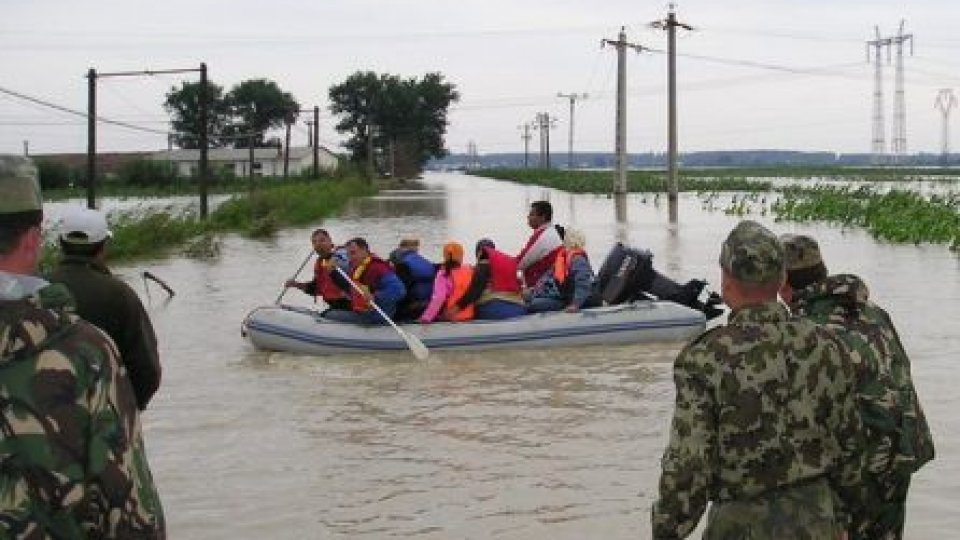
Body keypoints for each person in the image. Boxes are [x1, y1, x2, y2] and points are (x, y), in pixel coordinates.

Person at [651, 220, 864, 539]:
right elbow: (852, 446)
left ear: (726, 280)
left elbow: (688, 466)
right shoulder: (828, 346)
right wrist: (843, 520)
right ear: (781, 280)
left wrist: (665, 531)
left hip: (739, 525)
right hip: (818, 520)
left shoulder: (704, 358)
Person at [0, 155, 165, 537]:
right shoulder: (95, 341)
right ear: (32, 238)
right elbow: (129, 515)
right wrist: (123, 411)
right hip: (97, 430)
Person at [780, 233, 935, 540]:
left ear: (783, 282)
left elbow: (812, 420)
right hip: (902, 450)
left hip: (862, 465)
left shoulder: (806, 331)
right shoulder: (872, 310)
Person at [46, 206, 162, 411]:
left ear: (61, 244)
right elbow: (147, 371)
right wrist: (125, 412)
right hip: (104, 421)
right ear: (103, 246)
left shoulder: (35, 288)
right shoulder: (120, 295)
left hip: (40, 420)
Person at [325, 237, 407, 325]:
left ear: (364, 250)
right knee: (333, 310)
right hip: (363, 312)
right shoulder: (357, 267)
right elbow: (353, 288)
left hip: (377, 316)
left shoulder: (378, 268)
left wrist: (375, 297)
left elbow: (400, 291)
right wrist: (333, 273)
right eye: (348, 255)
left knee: (329, 315)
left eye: (353, 253)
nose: (350, 258)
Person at [526, 228, 601, 313]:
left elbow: (583, 284)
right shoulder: (563, 257)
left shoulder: (578, 260)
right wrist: (533, 290)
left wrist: (575, 304)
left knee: (534, 305)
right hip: (563, 294)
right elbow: (548, 276)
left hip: (574, 300)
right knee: (528, 298)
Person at [454, 238, 527, 320]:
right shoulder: (507, 264)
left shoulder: (482, 266)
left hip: (491, 310)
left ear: (478, 253)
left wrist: (455, 309)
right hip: (518, 309)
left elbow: (474, 292)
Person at [284, 228, 350, 310]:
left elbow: (344, 256)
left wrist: (335, 259)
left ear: (330, 240)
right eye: (314, 242)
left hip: (350, 305)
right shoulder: (320, 262)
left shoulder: (342, 254)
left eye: (322, 240)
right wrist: (296, 284)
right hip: (335, 307)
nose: (318, 244)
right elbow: (315, 288)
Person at [418, 242, 475, 323]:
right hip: (469, 315)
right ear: (461, 256)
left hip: (450, 318)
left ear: (445, 256)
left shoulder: (443, 274)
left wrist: (426, 318)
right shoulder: (469, 270)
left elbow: (439, 298)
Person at [516, 200, 563, 287]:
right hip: (548, 283)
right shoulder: (551, 231)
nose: (528, 217)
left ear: (543, 217)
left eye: (532, 214)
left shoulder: (542, 235)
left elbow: (520, 263)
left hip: (540, 287)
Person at [388, 237, 437, 321]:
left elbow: (401, 290)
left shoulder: (401, 264)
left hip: (410, 306)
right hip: (428, 304)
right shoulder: (427, 263)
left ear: (401, 248)